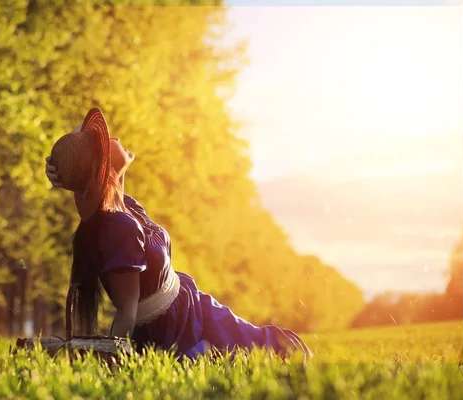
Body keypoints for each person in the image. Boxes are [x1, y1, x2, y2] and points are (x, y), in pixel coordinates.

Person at [44, 108, 313, 362]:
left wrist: (67, 165)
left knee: (259, 340)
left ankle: (288, 355)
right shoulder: (119, 228)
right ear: (102, 163)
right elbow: (127, 310)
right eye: (106, 141)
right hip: (170, 328)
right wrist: (114, 354)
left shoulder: (125, 206)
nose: (114, 137)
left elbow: (95, 173)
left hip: (190, 302)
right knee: (221, 354)